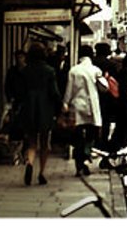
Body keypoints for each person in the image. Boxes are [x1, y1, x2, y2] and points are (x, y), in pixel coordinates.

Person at [18, 43, 60, 186]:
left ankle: (30, 163)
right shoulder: (49, 71)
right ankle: (41, 173)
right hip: (45, 108)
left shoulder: (24, 71)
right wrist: (60, 106)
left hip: (29, 108)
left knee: (31, 142)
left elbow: (20, 93)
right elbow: (54, 92)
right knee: (44, 142)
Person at [63, 45, 104, 176]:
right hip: (92, 106)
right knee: (91, 135)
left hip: (77, 106)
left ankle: (79, 164)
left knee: (77, 136)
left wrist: (65, 103)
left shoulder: (73, 71)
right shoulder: (96, 70)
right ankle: (86, 155)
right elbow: (105, 88)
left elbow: (69, 89)